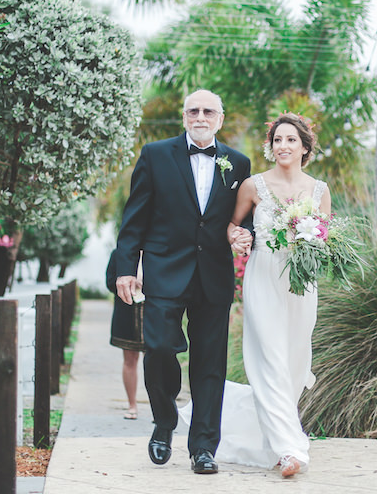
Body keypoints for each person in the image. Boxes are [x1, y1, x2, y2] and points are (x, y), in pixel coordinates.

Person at [114, 89, 253, 474]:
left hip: (214, 276)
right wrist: (126, 268)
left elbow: (243, 220)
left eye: (209, 111)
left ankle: (203, 448)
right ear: (184, 116)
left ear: (220, 119)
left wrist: (246, 236)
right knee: (158, 348)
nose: (201, 116)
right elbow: (134, 219)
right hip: (164, 270)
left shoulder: (238, 163)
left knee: (210, 364)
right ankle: (164, 420)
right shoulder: (156, 155)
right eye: (193, 110)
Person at [211, 112, 331, 478]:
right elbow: (232, 225)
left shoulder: (319, 190)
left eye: (291, 140)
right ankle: (290, 450)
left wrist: (314, 243)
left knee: (295, 360)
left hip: (301, 284)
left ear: (305, 147)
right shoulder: (253, 186)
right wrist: (238, 236)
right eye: (277, 140)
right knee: (270, 358)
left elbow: (326, 238)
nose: (283, 146)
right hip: (263, 277)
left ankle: (273, 433)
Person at [106, 249, 143, 420]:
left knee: (158, 360)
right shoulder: (119, 254)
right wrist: (129, 285)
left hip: (154, 313)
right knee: (130, 359)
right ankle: (132, 405)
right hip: (127, 312)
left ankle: (161, 408)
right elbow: (109, 281)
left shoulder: (160, 251)